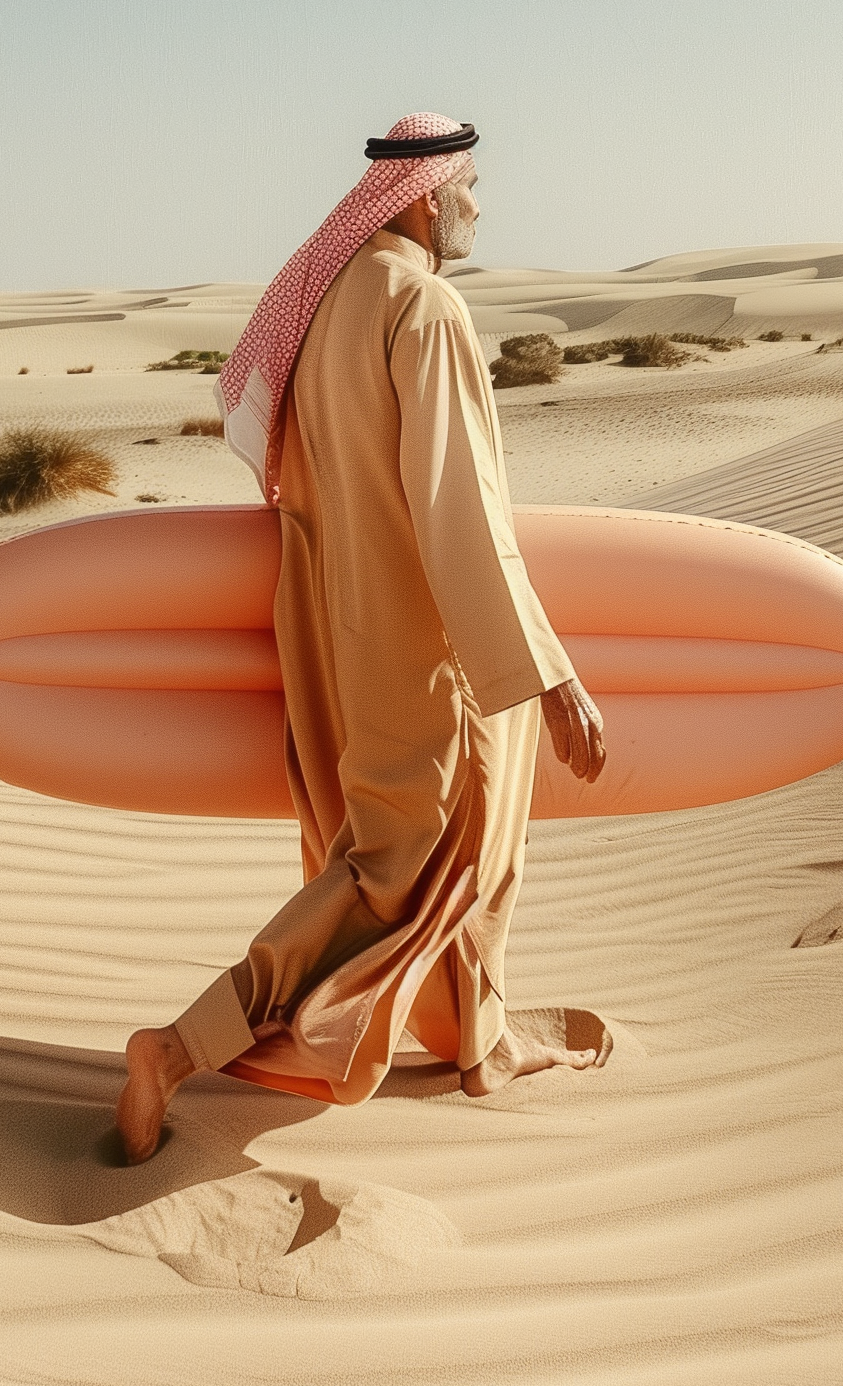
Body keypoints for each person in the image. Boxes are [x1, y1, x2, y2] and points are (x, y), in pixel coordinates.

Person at [118, 112, 610, 1161]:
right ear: (426, 196)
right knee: (406, 873)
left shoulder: (333, 302)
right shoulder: (424, 309)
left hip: (347, 636)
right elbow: (459, 509)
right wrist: (550, 674)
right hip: (441, 648)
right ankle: (179, 1044)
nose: (481, 204)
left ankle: (480, 1041)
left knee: (436, 869)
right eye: (472, 185)